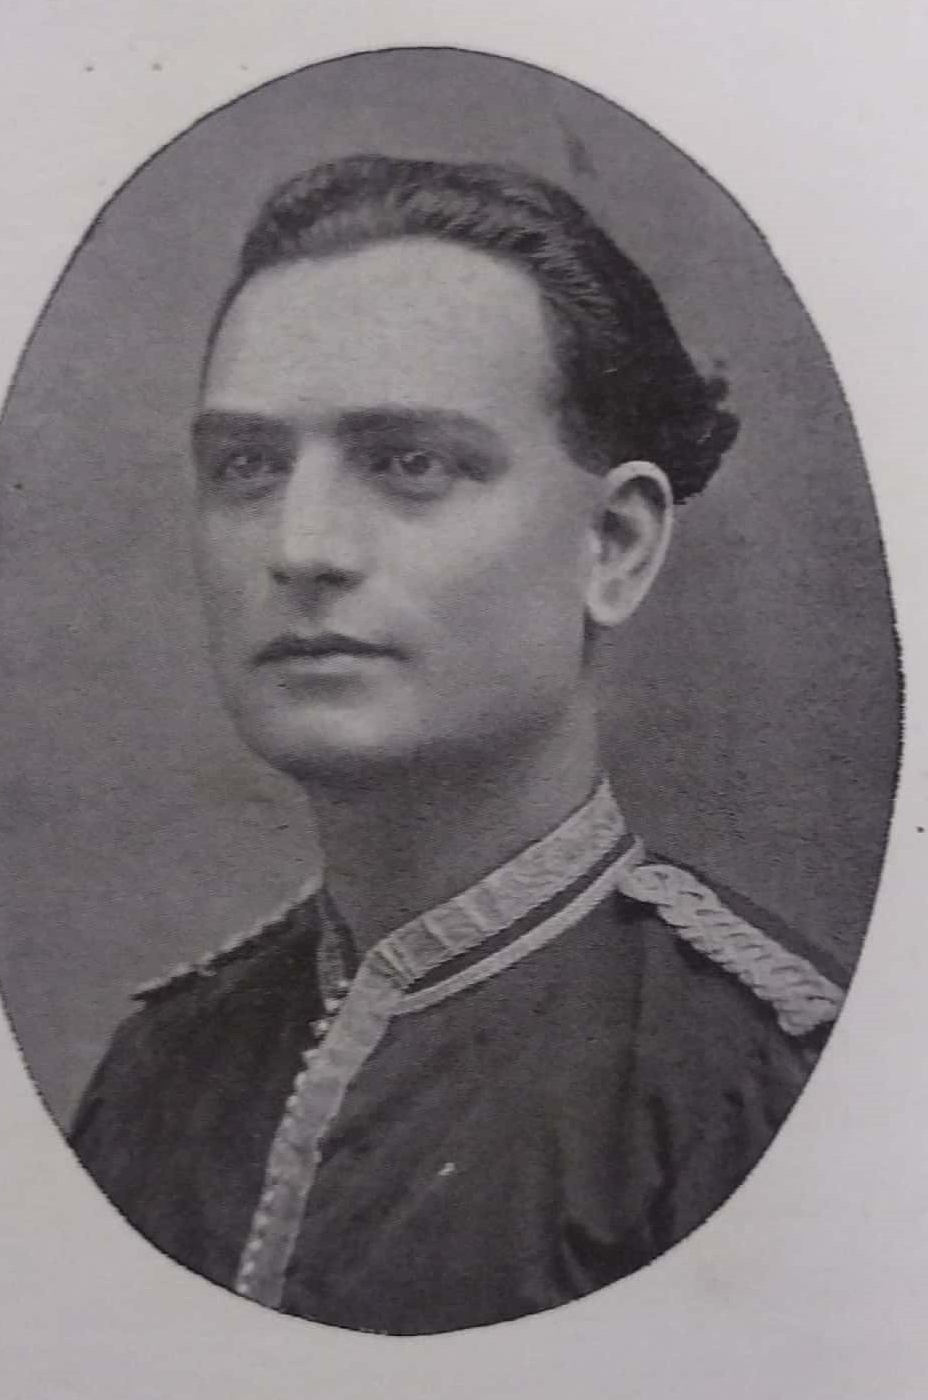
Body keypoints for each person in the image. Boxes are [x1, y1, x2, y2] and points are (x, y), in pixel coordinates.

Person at [70, 155, 848, 1334]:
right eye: (247, 466)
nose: (301, 546)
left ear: (614, 544)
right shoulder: (158, 1070)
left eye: (410, 463)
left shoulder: (764, 1088)